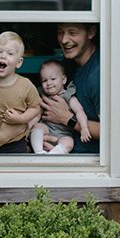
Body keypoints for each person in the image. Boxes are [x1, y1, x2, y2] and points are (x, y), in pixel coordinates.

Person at [40, 23, 100, 154]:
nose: (64, 40)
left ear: (91, 32)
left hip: (89, 161)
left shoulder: (98, 75)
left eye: (72, 33)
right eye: (60, 32)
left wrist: (67, 119)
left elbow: (111, 132)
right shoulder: (67, 65)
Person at [29, 59, 91, 154]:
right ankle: (39, 152)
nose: (49, 83)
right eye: (45, 80)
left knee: (69, 142)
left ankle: (53, 155)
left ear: (63, 79)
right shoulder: (43, 96)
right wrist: (27, 129)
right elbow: (36, 115)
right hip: (47, 128)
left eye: (53, 79)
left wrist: (84, 128)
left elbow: (80, 111)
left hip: (64, 133)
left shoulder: (68, 96)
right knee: (37, 127)